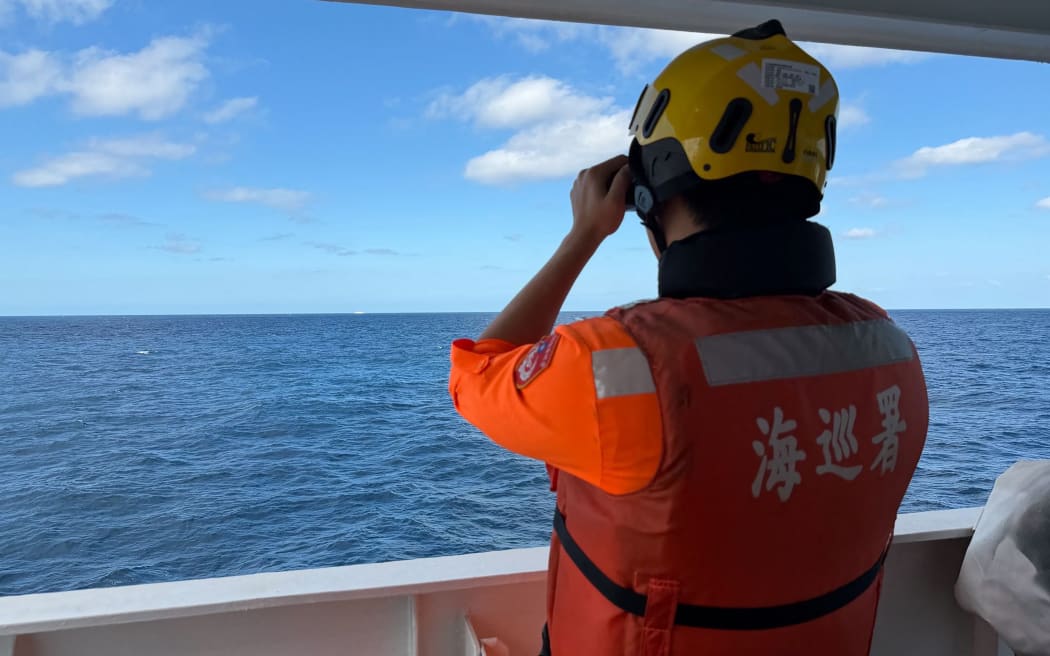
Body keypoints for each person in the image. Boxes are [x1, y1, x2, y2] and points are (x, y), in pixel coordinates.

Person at [448, 19, 928, 656]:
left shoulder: (619, 365)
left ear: (649, 197)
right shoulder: (892, 351)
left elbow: (475, 375)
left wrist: (584, 234)